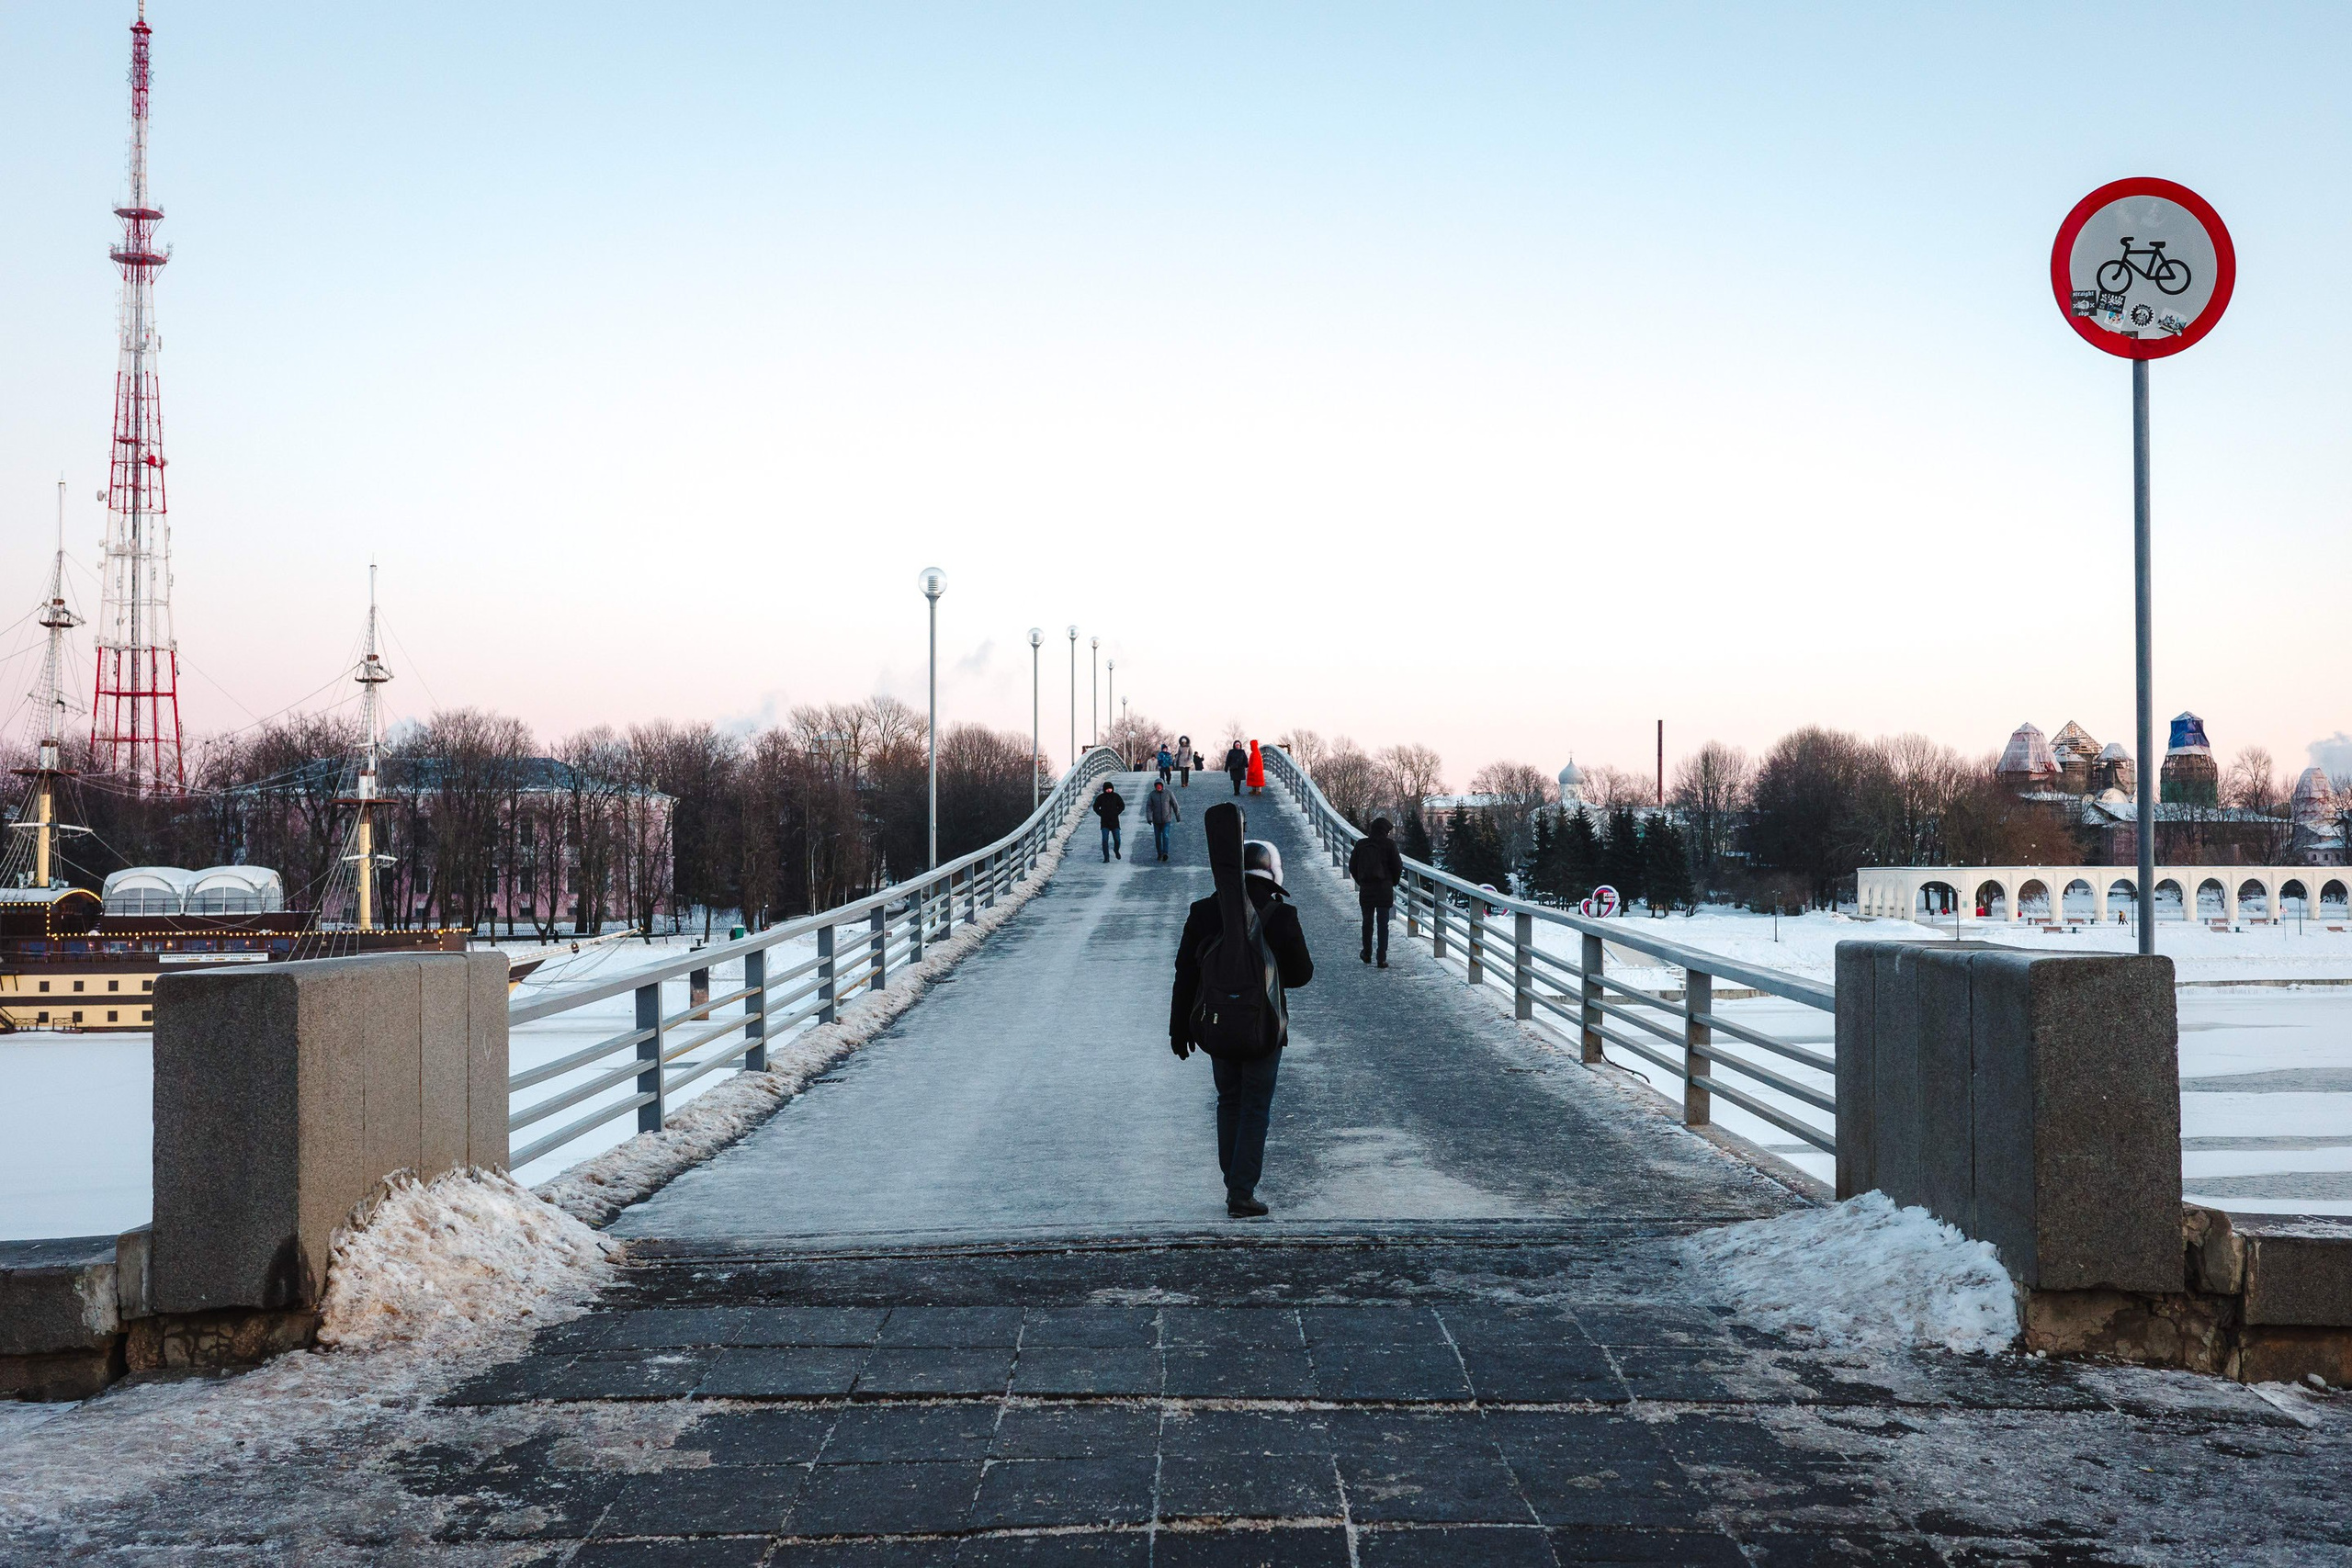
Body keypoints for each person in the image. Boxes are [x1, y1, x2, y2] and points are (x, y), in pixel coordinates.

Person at [1170, 806, 1313, 1217]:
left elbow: (1185, 973)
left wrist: (1178, 1028)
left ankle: (1233, 1181)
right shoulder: (1280, 914)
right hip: (1263, 1027)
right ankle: (1241, 1192)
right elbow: (1302, 975)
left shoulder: (1203, 911)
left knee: (1229, 1100)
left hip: (1215, 1025)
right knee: (1255, 1105)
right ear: (1273, 873)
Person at [1347, 817, 1405, 967]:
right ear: (1385, 831)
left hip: (1366, 888)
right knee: (1383, 923)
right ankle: (1381, 957)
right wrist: (1392, 882)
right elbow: (1397, 866)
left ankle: (1366, 953)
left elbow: (1352, 866)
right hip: (1384, 888)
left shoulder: (1361, 844)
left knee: (1367, 922)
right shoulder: (1389, 844)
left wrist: (1362, 881)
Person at [1144, 778, 1182, 861]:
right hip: (1156, 821)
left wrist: (1178, 816)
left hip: (1166, 820)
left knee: (1165, 836)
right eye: (1157, 786)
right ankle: (1159, 853)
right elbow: (1149, 807)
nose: (1158, 787)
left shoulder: (1168, 793)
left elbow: (1175, 805)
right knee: (1157, 838)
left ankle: (1165, 853)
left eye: (1160, 785)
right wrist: (1149, 818)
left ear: (1162, 786)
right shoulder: (1152, 795)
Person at [1093, 779, 1126, 861]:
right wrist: (1101, 813)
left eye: (1110, 788)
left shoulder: (1116, 796)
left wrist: (1117, 812)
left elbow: (1122, 805)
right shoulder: (1101, 797)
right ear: (1104, 789)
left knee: (1117, 839)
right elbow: (1095, 807)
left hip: (1115, 822)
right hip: (1105, 822)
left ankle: (1116, 850)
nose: (1109, 790)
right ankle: (1106, 857)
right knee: (1105, 840)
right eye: (1107, 789)